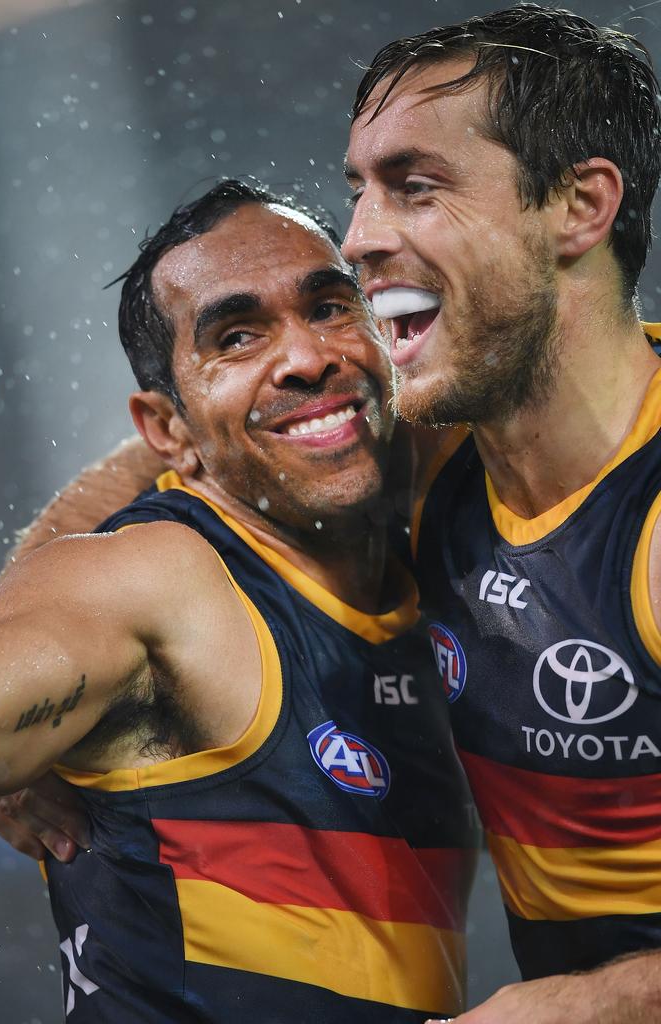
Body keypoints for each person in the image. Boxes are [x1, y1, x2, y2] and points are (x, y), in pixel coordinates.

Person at [0, 179, 476, 1023]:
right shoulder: (158, 581)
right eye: (236, 337)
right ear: (166, 431)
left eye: (328, 306)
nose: (308, 356)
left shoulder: (445, 501)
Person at [341, 4, 661, 1022]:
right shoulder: (435, 448)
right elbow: (188, 458)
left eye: (415, 188)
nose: (357, 237)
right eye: (358, 191)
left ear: (579, 204)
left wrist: (578, 1007)